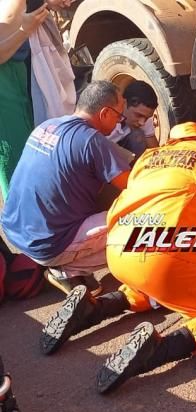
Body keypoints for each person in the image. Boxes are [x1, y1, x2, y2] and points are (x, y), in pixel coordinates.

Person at [39, 122, 196, 394]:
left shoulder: (148, 158)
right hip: (167, 256)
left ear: (172, 142)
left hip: (119, 249)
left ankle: (93, 308)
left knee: (152, 288)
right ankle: (157, 349)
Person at [0, 80, 130, 293]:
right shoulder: (92, 140)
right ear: (105, 113)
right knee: (143, 225)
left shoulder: (47, 125)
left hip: (15, 231)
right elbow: (134, 188)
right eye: (118, 116)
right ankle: (67, 269)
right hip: (46, 245)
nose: (119, 124)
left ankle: (64, 259)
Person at [0, 0, 47, 200]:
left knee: (26, 148)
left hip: (15, 74)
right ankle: (20, 219)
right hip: (4, 83)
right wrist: (24, 30)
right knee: (13, 154)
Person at [107, 80, 159, 162]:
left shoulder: (143, 115)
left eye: (146, 118)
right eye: (138, 115)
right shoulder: (107, 119)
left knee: (138, 135)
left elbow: (155, 150)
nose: (142, 122)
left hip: (120, 147)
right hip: (103, 151)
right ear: (124, 103)